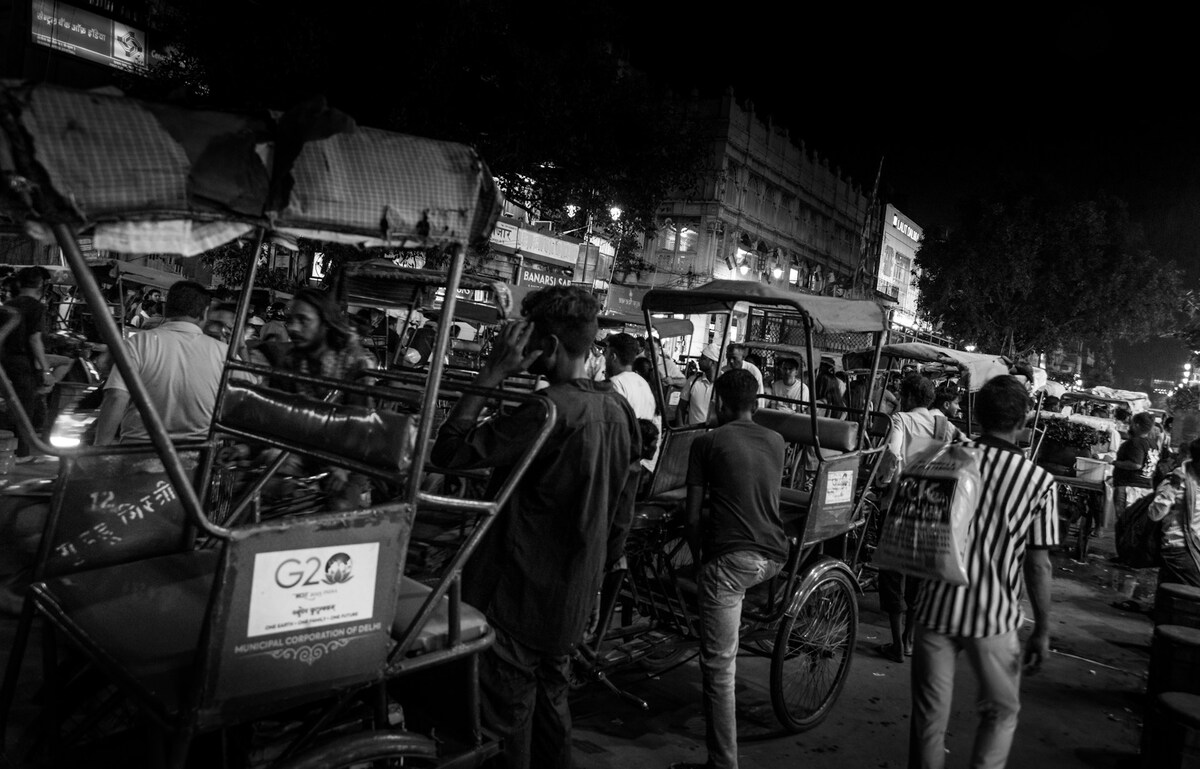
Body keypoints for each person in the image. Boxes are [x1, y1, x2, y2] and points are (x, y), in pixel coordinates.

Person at [432, 285, 640, 769]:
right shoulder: (618, 411)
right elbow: (621, 514)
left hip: (517, 601)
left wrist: (493, 371)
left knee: (508, 728)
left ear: (546, 346)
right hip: (569, 599)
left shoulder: (546, 413)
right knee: (551, 711)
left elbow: (449, 451)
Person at [909, 375, 1057, 769]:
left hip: (934, 607)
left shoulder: (945, 455)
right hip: (993, 618)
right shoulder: (1039, 481)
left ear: (976, 413)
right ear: (1024, 419)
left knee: (928, 720)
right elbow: (1038, 563)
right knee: (1001, 712)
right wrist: (1042, 627)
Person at [674, 368, 788, 769]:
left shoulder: (708, 442)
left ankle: (723, 764)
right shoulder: (776, 440)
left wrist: (699, 557)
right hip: (775, 557)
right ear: (755, 403)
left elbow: (690, 518)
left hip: (733, 563)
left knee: (719, 666)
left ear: (719, 403)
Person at [875, 374, 961, 663]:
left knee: (891, 571)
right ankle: (910, 640)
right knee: (918, 575)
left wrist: (884, 480)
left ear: (909, 396)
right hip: (931, 508)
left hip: (900, 503)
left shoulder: (901, 419)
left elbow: (892, 453)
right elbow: (965, 454)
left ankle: (896, 643)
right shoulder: (945, 425)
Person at [93, 281, 231, 445]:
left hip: (137, 452)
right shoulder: (224, 352)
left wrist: (100, 450)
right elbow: (247, 402)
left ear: (166, 309)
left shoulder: (138, 343)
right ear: (204, 313)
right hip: (197, 456)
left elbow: (116, 396)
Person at [1, 267, 55, 459]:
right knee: (25, 409)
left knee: (11, 405)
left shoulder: (9, 305)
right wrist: (46, 370)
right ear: (41, 285)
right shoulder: (36, 307)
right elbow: (34, 340)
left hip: (5, 362)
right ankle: (21, 453)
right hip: (23, 363)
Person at [1149, 439, 1200, 587]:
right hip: (1178, 548)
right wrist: (1173, 486)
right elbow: (1154, 514)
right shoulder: (1176, 480)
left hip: (1195, 547)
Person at [1112, 412, 1159, 529]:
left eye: (1132, 423)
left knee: (1126, 524)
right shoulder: (1153, 444)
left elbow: (1136, 464)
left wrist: (1114, 462)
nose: (1130, 426)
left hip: (1130, 488)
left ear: (1137, 425)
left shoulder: (1136, 442)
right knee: (1136, 525)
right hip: (1145, 488)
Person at [680, 345, 719, 426]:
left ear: (712, 362)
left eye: (703, 358)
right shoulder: (692, 381)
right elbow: (681, 408)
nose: (699, 361)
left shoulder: (724, 383)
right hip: (693, 434)